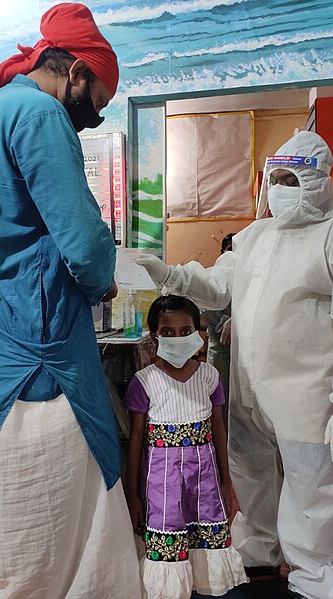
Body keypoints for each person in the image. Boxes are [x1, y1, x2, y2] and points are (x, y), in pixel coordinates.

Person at [136, 131, 333, 599]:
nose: (282, 187)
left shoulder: (327, 237)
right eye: (277, 178)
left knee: (311, 489)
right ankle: (258, 553)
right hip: (248, 385)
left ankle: (316, 575)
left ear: (319, 181)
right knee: (252, 474)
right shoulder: (254, 236)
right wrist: (168, 273)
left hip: (305, 392)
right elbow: (216, 286)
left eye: (294, 178)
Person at [0, 4, 141, 598]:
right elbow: (82, 242)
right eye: (99, 103)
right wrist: (101, 280)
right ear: (75, 72)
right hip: (44, 352)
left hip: (7, 333)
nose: (94, 116)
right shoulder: (37, 113)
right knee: (59, 530)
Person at [125, 295, 248, 599]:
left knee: (203, 539)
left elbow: (218, 431)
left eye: (185, 330)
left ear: (197, 333)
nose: (177, 337)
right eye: (167, 332)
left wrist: (226, 481)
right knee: (168, 547)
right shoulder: (145, 381)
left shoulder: (209, 377)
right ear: (154, 335)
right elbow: (136, 443)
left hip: (204, 481)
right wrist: (133, 496)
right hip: (161, 485)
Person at [203, 234, 234, 426]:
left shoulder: (252, 276)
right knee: (219, 402)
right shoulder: (212, 276)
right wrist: (225, 320)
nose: (233, 253)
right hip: (221, 351)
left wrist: (241, 320)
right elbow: (204, 310)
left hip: (246, 353)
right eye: (229, 248)